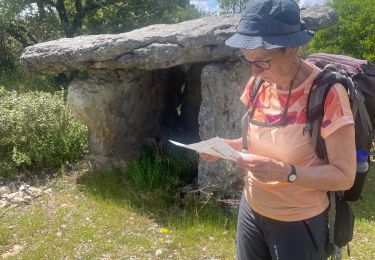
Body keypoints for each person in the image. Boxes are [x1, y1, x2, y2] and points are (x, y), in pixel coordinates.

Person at [199, 0, 356, 259]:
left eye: (263, 61)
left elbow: (344, 175)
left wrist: (286, 173)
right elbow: (255, 142)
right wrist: (225, 147)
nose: (254, 70)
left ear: (292, 48)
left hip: (299, 222)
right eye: (247, 60)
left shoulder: (327, 94)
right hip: (251, 210)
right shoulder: (258, 85)